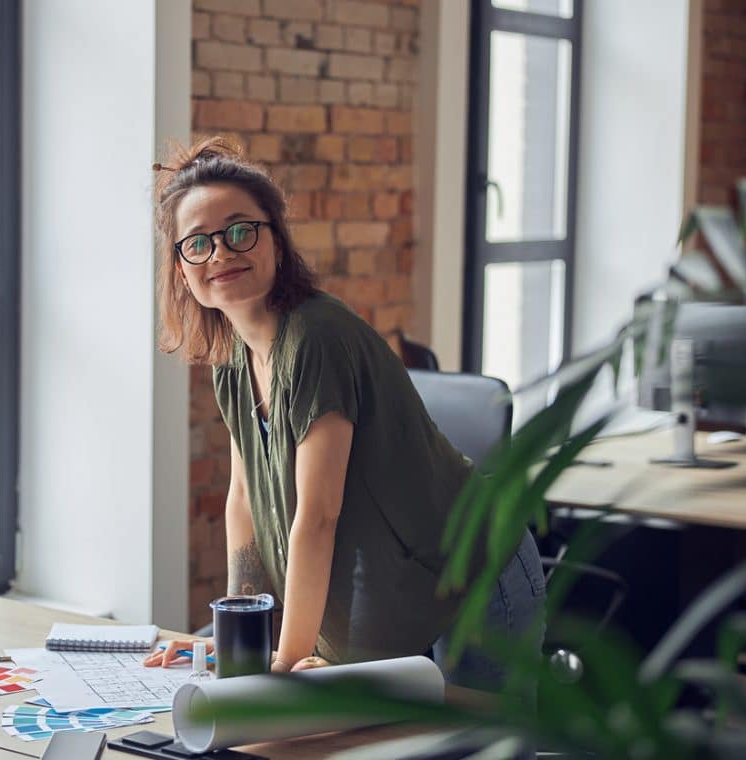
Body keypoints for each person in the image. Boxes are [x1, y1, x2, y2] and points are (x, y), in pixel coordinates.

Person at [142, 136, 545, 688]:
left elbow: (318, 514)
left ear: (275, 242)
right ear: (181, 269)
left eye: (240, 231)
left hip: (476, 572)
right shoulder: (231, 358)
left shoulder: (316, 337)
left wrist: (282, 666)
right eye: (198, 243)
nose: (221, 253)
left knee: (485, 745)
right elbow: (242, 501)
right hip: (406, 580)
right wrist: (240, 629)